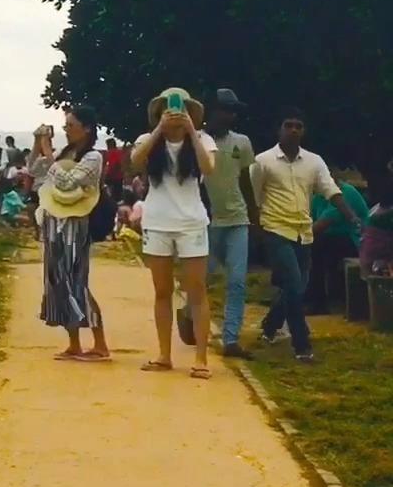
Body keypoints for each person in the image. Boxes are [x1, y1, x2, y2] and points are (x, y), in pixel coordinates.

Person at [249, 108, 361, 361]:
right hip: (275, 229)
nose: (294, 130)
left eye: (298, 126)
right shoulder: (263, 161)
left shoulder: (314, 161)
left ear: (304, 131)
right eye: (288, 125)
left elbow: (331, 190)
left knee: (296, 286)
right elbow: (254, 199)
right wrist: (257, 233)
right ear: (279, 129)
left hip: (303, 232)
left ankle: (269, 326)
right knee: (292, 283)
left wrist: (351, 215)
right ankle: (302, 345)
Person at [129, 87, 215, 379]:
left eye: (179, 107)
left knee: (197, 291)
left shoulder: (202, 140)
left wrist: (191, 131)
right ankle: (164, 354)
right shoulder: (147, 140)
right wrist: (158, 131)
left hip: (192, 222)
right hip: (157, 222)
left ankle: (201, 358)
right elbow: (135, 163)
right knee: (162, 291)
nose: (175, 111)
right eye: (168, 107)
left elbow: (209, 168)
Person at [40, 104, 111, 361]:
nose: (67, 130)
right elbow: (40, 175)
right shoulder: (66, 153)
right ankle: (74, 344)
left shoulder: (93, 157)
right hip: (55, 221)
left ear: (87, 129)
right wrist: (41, 147)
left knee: (76, 282)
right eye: (65, 126)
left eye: (71, 125)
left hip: (77, 223)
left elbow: (67, 181)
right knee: (58, 282)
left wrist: (49, 155)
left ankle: (100, 344)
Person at [199, 89, 259, 358]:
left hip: (237, 220)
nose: (231, 115)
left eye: (234, 110)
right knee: (202, 279)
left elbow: (245, 180)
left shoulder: (242, 142)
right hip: (208, 222)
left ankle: (231, 339)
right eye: (227, 109)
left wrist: (254, 216)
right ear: (213, 111)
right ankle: (190, 318)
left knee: (236, 281)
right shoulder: (198, 141)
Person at [306, 178, 370, 313]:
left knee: (316, 246)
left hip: (355, 240)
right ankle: (311, 297)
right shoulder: (318, 195)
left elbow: (322, 224)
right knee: (316, 245)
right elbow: (310, 220)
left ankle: (317, 302)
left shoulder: (345, 194)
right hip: (331, 240)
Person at [100, 137, 126, 202]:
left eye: (107, 144)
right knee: (118, 195)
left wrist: (106, 174)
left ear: (110, 144)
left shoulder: (112, 152)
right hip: (119, 176)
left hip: (112, 177)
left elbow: (113, 165)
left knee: (111, 194)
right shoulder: (119, 152)